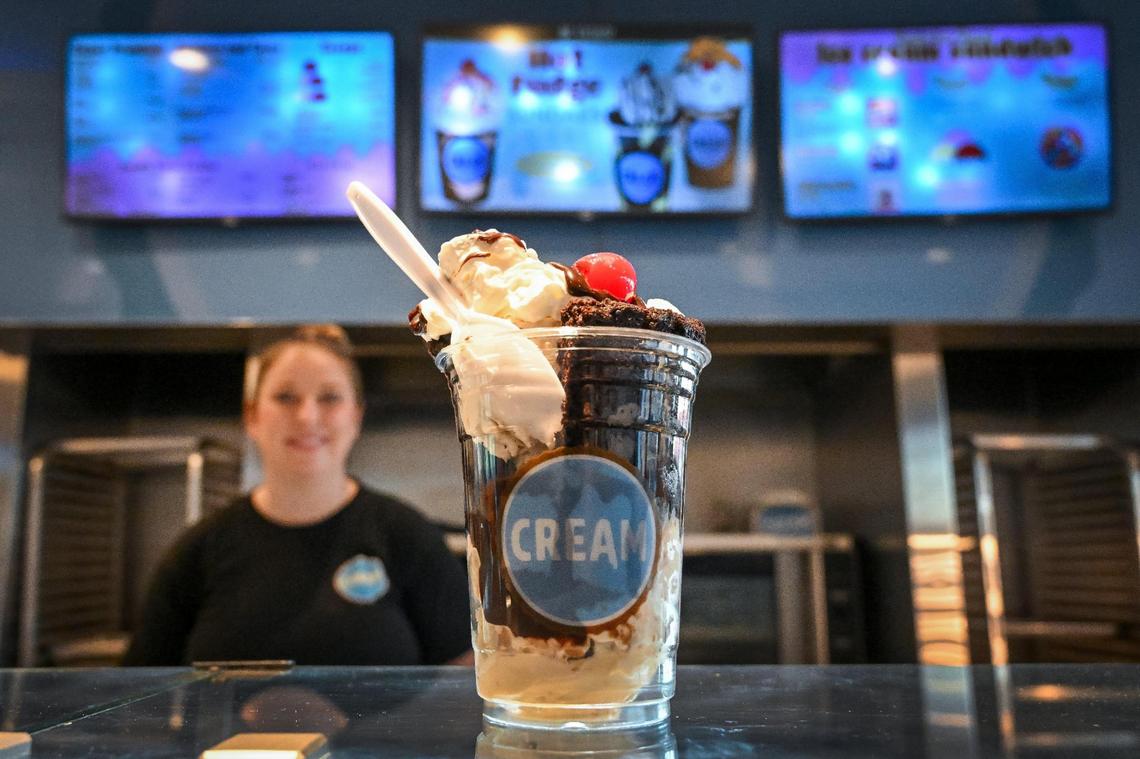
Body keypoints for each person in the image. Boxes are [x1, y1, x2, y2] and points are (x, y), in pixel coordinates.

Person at [123, 325, 473, 666]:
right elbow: (139, 690)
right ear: (252, 416)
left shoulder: (406, 535)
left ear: (356, 417)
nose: (307, 416)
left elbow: (465, 673)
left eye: (330, 398)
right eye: (285, 397)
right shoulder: (199, 550)